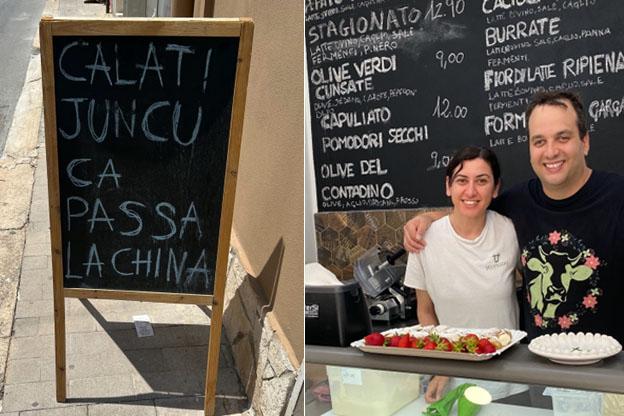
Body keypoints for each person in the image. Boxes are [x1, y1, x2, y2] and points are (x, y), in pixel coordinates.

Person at [404, 90, 624, 346]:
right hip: (536, 369)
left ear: (584, 141)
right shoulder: (516, 203)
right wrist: (429, 218)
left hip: (608, 372)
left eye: (563, 138)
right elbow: (472, 207)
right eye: (539, 141)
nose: (551, 151)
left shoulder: (617, 197)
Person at [404, 145, 527, 403]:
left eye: (482, 181)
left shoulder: (509, 231)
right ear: (448, 186)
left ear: (495, 189)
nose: (471, 191)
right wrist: (441, 367)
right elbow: (425, 311)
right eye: (462, 180)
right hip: (453, 381)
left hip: (509, 383)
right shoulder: (423, 240)